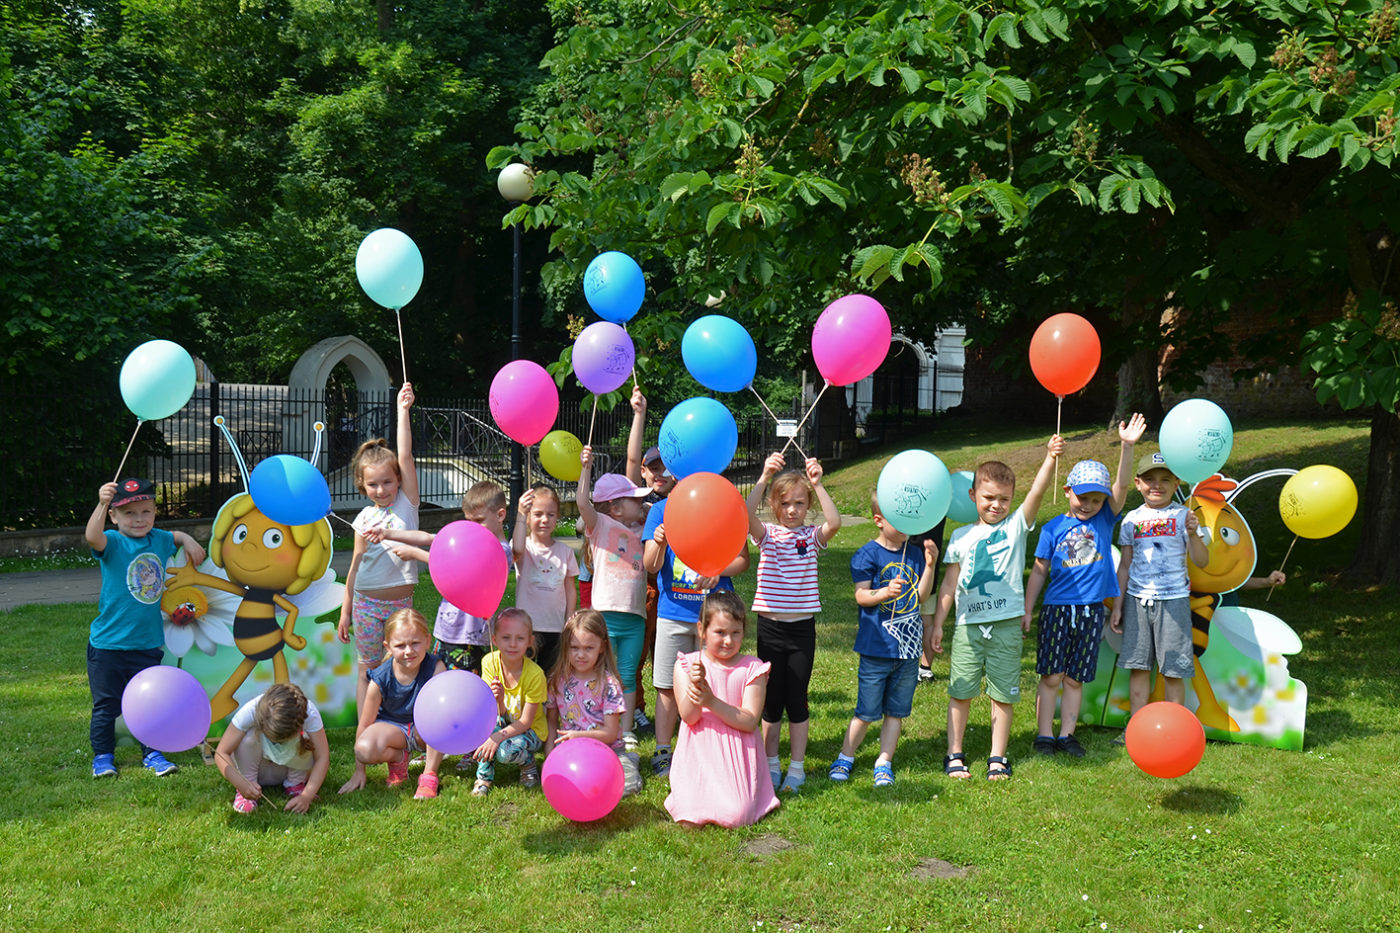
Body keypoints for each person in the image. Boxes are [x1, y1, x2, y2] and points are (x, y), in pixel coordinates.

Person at [928, 434, 1065, 780]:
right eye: (988, 497)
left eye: (1004, 499)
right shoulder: (960, 538)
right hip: (968, 627)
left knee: (1003, 694)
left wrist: (1050, 458)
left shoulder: (1016, 527)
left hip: (1005, 625)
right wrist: (940, 623)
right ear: (973, 496)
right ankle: (954, 753)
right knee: (961, 691)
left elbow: (1036, 494)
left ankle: (997, 757)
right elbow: (948, 584)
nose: (996, 505)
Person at [1023, 414, 1145, 757]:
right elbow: (1038, 571)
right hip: (1056, 609)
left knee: (1075, 678)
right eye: (1084, 497)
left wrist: (1126, 447)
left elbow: (1121, 487)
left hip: (1091, 610)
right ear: (1068, 491)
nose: (1090, 505)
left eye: (1097, 499)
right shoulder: (1051, 529)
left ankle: (1067, 735)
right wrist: (1028, 610)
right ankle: (1044, 735)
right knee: (1051, 675)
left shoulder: (1106, 518)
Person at [84, 478, 206, 778]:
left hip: (147, 644)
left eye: (146, 512)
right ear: (114, 516)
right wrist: (101, 503)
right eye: (129, 514)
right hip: (108, 646)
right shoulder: (113, 542)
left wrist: (187, 539)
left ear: (154, 513)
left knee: (149, 704)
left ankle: (152, 753)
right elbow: (91, 537)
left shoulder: (159, 539)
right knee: (107, 706)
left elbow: (173, 535)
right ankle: (102, 757)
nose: (139, 519)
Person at [745, 450, 841, 793]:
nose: (792, 510)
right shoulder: (768, 534)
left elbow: (835, 523)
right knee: (771, 702)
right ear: (775, 506)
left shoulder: (812, 536)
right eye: (785, 504)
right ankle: (772, 765)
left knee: (797, 700)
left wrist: (818, 484)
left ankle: (796, 769)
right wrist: (763, 477)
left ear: (807, 506)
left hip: (801, 630)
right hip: (770, 628)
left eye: (800, 503)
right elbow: (743, 516)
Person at [828, 493, 938, 787]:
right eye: (897, 520)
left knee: (896, 711)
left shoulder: (913, 553)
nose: (905, 526)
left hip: (908, 650)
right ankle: (846, 756)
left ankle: (883, 761)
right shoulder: (867, 555)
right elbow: (861, 596)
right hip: (876, 648)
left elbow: (922, 596)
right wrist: (884, 592)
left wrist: (929, 565)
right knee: (865, 711)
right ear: (878, 520)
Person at [643, 490, 750, 778]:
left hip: (716, 617)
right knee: (666, 686)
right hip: (673, 614)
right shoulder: (661, 510)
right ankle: (663, 750)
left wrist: (718, 568)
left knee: (716, 684)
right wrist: (658, 542)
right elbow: (650, 565)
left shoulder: (724, 506)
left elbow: (742, 560)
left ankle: (711, 749)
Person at [368, 481, 511, 677]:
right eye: (469, 520)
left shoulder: (500, 550)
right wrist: (387, 533)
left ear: (500, 515)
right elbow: (429, 537)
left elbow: (459, 569)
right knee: (438, 678)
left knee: (462, 686)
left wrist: (415, 554)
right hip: (445, 631)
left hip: (470, 638)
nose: (472, 527)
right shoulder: (468, 537)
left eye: (478, 520)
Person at [1109, 451, 1210, 727]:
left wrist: (1193, 533)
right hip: (1137, 601)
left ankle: (1178, 729)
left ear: (1176, 484)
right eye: (1150, 479)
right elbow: (1125, 566)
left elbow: (1202, 561)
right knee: (1138, 667)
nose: (1157, 485)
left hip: (1175, 602)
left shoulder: (1183, 516)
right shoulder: (1131, 519)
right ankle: (1138, 728)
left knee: (1173, 670)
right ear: (1138, 484)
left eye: (1165, 479)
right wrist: (1118, 605)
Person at [337, 383, 420, 717]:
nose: (381, 489)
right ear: (362, 485)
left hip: (401, 603)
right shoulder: (362, 518)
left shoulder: (407, 504)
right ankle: (365, 729)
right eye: (373, 484)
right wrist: (346, 610)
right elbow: (355, 567)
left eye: (387, 481)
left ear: (398, 480)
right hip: (366, 604)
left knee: (403, 667)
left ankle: (402, 726)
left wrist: (403, 410)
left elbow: (405, 456)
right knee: (368, 670)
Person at [664, 591, 779, 828]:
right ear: (701, 630)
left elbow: (749, 721)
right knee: (688, 817)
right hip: (699, 753)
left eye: (735, 633)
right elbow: (689, 716)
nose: (728, 640)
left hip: (735, 752)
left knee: (737, 816)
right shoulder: (687, 664)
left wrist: (711, 701)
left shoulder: (752, 668)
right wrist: (696, 688)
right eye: (720, 632)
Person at [576, 445, 651, 760]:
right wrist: (585, 469)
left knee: (628, 674)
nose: (643, 502)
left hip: (635, 616)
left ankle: (627, 730)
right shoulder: (601, 526)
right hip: (605, 615)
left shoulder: (645, 529)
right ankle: (596, 721)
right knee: (603, 674)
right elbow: (582, 502)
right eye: (636, 500)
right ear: (616, 508)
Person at [337, 608, 446, 799]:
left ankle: (429, 775)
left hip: (427, 729)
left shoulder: (436, 668)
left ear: (428, 641)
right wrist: (359, 771)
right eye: (401, 645)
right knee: (363, 749)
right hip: (395, 731)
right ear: (388, 647)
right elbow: (365, 724)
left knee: (439, 719)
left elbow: (444, 712)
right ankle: (399, 759)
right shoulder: (380, 679)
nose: (409, 651)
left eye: (415, 643)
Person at [624, 387, 677, 733]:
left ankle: (672, 704)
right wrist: (638, 415)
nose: (658, 474)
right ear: (643, 473)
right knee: (637, 652)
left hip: (673, 589)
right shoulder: (636, 502)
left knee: (666, 651)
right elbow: (630, 463)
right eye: (652, 468)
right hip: (640, 588)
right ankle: (638, 705)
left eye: (665, 468)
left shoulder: (683, 499)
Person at [544, 609, 641, 795]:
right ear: (566, 647)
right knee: (569, 789)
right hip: (571, 753)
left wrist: (578, 737)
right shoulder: (557, 681)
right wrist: (549, 756)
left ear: (602, 647)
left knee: (625, 788)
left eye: (589, 648)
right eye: (574, 648)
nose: (581, 655)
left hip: (608, 751)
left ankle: (630, 759)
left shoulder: (609, 685)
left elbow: (611, 733)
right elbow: (551, 720)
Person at [215, 682, 330, 813]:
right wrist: (241, 783)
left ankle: (295, 784)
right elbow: (221, 752)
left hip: (286, 768)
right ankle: (248, 787)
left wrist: (307, 796)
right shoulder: (250, 711)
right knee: (248, 738)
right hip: (258, 768)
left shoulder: (309, 713)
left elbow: (323, 757)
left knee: (308, 739)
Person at [471, 607, 547, 796]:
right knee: (485, 728)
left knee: (504, 752)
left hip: (531, 732)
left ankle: (528, 762)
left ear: (530, 641)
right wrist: (498, 700)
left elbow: (525, 722)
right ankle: (483, 779)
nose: (513, 644)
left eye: (520, 638)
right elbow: (497, 713)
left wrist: (497, 737)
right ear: (494, 640)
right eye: (506, 638)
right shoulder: (489, 662)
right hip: (505, 721)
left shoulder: (535, 675)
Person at [511, 485, 578, 676]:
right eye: (538, 514)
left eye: (551, 514)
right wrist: (520, 515)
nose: (544, 520)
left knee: (551, 676)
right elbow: (515, 549)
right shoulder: (524, 548)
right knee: (525, 675)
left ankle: (547, 707)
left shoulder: (565, 552)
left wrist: (569, 619)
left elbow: (570, 589)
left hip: (555, 627)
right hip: (526, 628)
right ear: (529, 516)